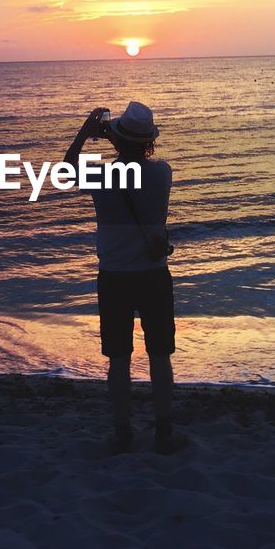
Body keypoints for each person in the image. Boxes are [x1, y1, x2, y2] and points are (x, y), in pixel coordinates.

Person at [65, 101, 183, 455]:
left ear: (115, 141)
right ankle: (163, 432)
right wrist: (117, 138)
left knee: (118, 358)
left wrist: (88, 132)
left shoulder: (102, 176)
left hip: (114, 276)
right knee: (160, 356)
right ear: (149, 141)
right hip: (153, 274)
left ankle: (122, 432)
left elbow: (66, 169)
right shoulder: (163, 172)